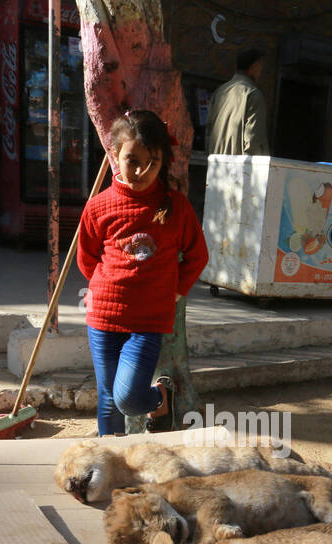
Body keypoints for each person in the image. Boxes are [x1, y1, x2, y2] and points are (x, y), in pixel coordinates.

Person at [76, 109, 209, 436]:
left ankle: (160, 397)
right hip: (103, 317)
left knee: (129, 399)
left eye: (152, 162)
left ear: (163, 162)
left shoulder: (176, 207)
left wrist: (175, 291)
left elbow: (197, 255)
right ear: (115, 156)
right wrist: (110, 286)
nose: (141, 171)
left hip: (148, 322)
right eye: (132, 159)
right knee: (107, 398)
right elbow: (87, 258)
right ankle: (110, 469)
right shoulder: (98, 206)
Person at [207, 47, 270, 156]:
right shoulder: (253, 95)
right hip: (239, 169)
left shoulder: (219, 91)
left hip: (215, 165)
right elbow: (252, 141)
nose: (261, 72)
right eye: (261, 68)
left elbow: (208, 133)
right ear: (255, 66)